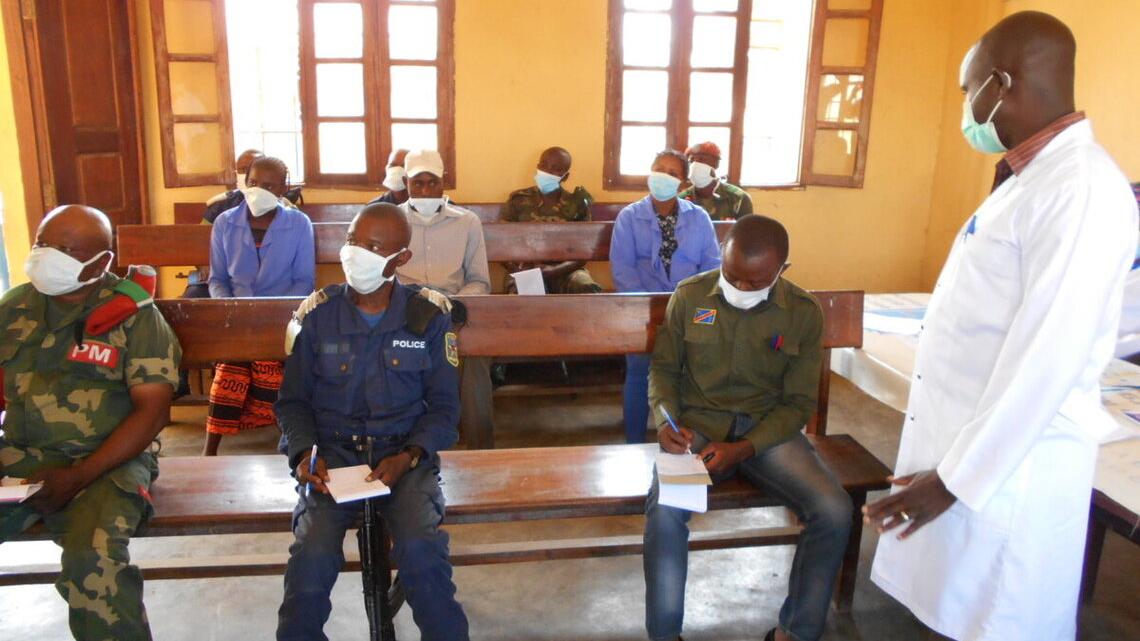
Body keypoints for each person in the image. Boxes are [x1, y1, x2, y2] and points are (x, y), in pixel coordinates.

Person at [864, 12, 1139, 641]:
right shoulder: (1032, 179)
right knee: (965, 616)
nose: (966, 108)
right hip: (979, 455)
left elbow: (1049, 355)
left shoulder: (1081, 189)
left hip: (1016, 475)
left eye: (969, 90)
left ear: (1001, 84)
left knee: (1004, 620)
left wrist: (954, 481)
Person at [645, 215, 849, 641]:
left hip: (768, 432)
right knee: (665, 512)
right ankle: (665, 635)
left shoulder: (802, 312)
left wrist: (745, 447)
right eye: (731, 274)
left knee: (833, 510)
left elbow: (798, 404)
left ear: (781, 270)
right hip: (697, 430)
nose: (739, 287)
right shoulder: (690, 296)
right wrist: (666, 421)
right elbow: (664, 370)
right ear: (722, 254)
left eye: (755, 282)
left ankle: (794, 633)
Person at [275, 203, 469, 641]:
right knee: (311, 555)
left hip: (403, 456)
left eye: (374, 246)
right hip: (333, 457)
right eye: (353, 241)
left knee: (421, 552)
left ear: (401, 258)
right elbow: (292, 403)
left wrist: (410, 455)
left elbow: (444, 408)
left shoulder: (428, 317)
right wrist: (304, 454)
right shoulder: (317, 315)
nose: (356, 253)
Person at [0, 205, 181, 641]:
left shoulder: (135, 315)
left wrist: (77, 477)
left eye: (64, 250)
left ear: (101, 263)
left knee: (94, 559)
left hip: (106, 463)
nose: (46, 255)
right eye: (42, 243)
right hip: (20, 457)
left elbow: (153, 412)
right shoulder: (14, 307)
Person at [204, 156, 316, 455]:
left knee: (265, 362)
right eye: (253, 183)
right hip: (235, 318)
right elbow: (217, 279)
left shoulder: (299, 224)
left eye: (268, 185)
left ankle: (288, 437)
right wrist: (232, 311)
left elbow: (304, 281)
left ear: (284, 188)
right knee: (232, 365)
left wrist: (269, 314)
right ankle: (211, 448)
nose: (258, 190)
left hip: (282, 318)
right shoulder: (225, 222)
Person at [610, 149, 721, 443]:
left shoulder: (699, 218)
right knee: (638, 371)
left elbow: (711, 268)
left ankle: (686, 441)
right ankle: (634, 441)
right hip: (642, 310)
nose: (663, 177)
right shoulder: (629, 217)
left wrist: (687, 307)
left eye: (672, 173)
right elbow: (623, 270)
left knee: (692, 374)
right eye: (659, 169)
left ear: (682, 182)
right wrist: (650, 308)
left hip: (689, 310)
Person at [394, 149, 496, 448]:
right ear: (405, 182)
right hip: (404, 311)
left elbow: (479, 281)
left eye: (432, 183)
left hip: (454, 313)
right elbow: (381, 279)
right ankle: (406, 446)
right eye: (418, 183)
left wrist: (451, 305)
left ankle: (479, 449)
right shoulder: (391, 220)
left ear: (444, 181)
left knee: (475, 357)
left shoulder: (467, 222)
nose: (426, 191)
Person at [499, 146, 602, 293]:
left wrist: (556, 270)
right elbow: (500, 242)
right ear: (538, 166)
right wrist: (517, 268)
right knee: (524, 292)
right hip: (525, 270)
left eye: (556, 168)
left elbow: (584, 251)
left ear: (565, 176)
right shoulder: (518, 200)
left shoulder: (576, 204)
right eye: (544, 165)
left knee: (586, 287)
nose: (547, 171)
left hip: (566, 271)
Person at [678, 141, 753, 221]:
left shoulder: (739, 199)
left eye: (701, 159)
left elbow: (746, 228)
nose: (695, 164)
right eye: (691, 160)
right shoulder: (682, 200)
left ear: (716, 164)